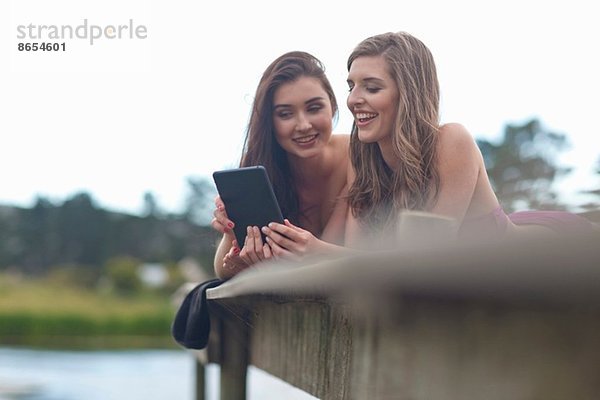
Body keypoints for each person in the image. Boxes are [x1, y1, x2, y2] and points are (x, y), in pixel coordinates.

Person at [340, 31, 595, 245]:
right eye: (351, 87)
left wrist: (322, 252)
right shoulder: (362, 155)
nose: (353, 100)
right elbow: (359, 252)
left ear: (408, 94)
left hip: (551, 249)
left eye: (372, 88)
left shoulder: (451, 141)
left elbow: (423, 257)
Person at [211, 51, 350, 279]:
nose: (303, 125)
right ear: (270, 122)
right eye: (285, 114)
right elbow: (223, 272)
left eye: (314, 108)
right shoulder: (260, 169)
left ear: (333, 107)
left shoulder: (358, 157)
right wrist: (231, 232)